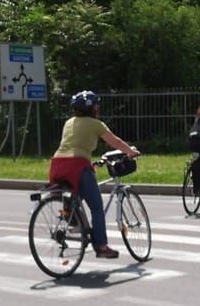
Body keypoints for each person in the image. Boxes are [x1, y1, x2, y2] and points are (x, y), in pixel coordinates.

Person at [49, 91, 141, 259]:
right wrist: (131, 152)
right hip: (77, 165)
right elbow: (115, 142)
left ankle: (71, 216)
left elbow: (73, 144)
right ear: (93, 109)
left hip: (57, 164)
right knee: (97, 207)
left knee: (75, 195)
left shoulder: (69, 122)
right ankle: (101, 246)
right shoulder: (95, 124)